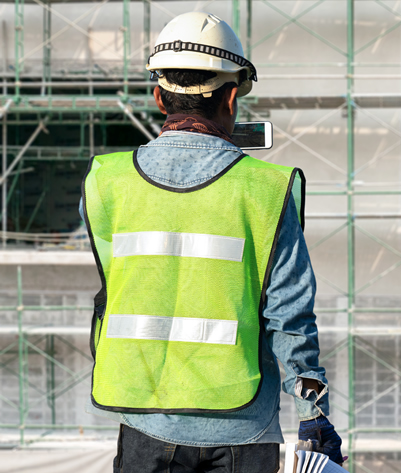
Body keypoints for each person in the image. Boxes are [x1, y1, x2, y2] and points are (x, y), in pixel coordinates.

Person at [80, 12, 343, 472]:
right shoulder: (267, 190)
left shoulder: (105, 182)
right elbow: (290, 316)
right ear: (233, 94)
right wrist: (313, 417)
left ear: (159, 96)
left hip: (145, 420)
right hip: (242, 428)